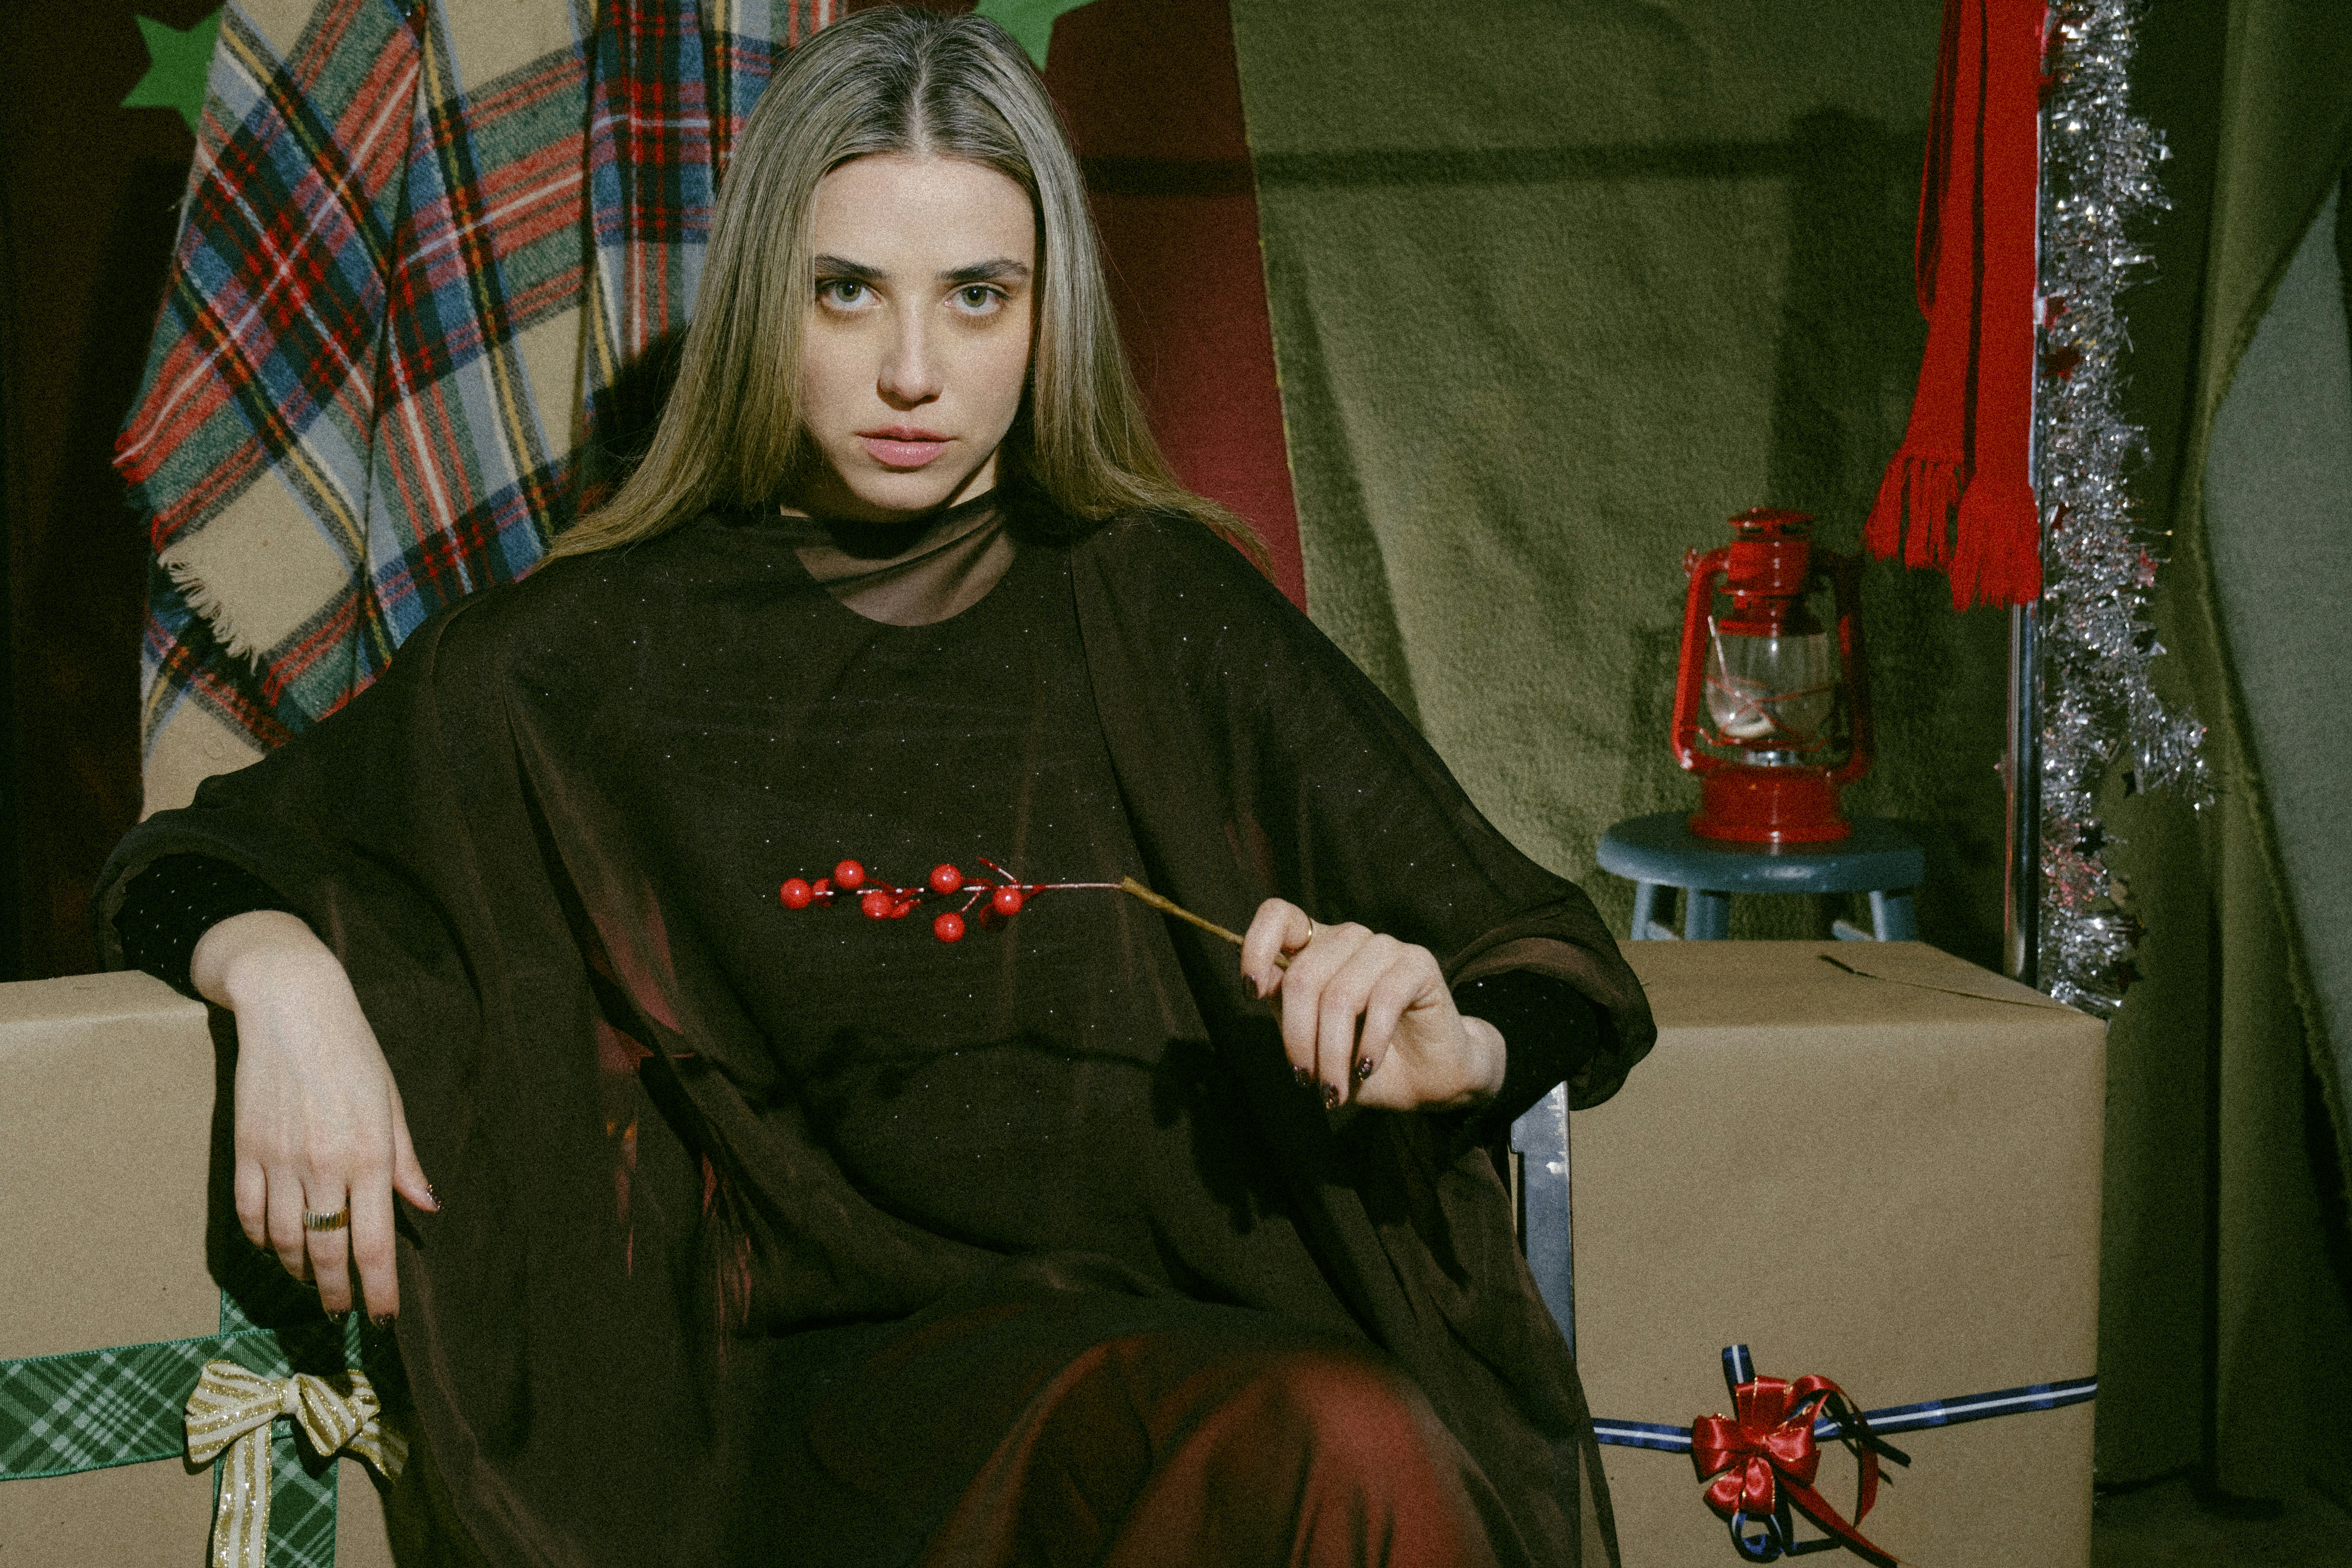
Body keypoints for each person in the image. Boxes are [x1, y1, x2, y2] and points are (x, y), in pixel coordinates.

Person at [101, 9, 1654, 1566]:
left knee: (1345, 1436)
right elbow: (188, 860)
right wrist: (280, 975)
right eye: (845, 291)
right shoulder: (590, 650)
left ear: (1049, 312)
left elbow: (1546, 961)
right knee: (1332, 1437)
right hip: (805, 1443)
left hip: (1195, 1384)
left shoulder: (1157, 603)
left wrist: (1458, 1040)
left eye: (978, 296)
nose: (913, 374)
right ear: (760, 300)